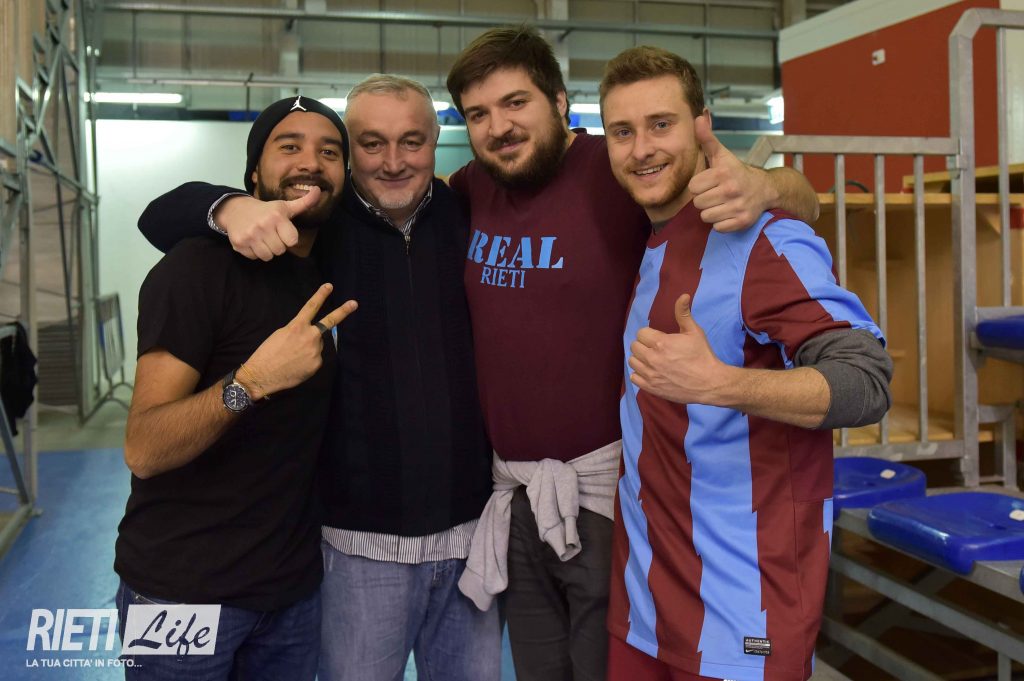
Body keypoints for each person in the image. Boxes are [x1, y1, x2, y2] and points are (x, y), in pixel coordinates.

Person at [444, 25, 821, 681]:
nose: (499, 127)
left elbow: (792, 195)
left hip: (607, 495)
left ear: (559, 102)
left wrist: (767, 186)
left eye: (515, 103)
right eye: (478, 114)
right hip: (515, 494)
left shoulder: (615, 166)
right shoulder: (474, 186)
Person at [135, 75, 498, 681]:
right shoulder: (300, 232)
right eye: (370, 143)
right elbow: (158, 216)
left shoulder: (466, 214)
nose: (393, 161)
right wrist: (228, 207)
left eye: (412, 141)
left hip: (391, 559)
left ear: (437, 142)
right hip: (265, 565)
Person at [599, 46, 892, 681]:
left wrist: (721, 384)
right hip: (645, 599)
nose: (641, 149)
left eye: (661, 124)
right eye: (622, 131)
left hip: (741, 611)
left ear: (702, 126)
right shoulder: (649, 235)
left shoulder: (761, 238)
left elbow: (866, 380)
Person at [115, 95, 357, 680]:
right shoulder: (197, 267)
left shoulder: (330, 266)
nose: (311, 162)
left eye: (330, 152)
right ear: (253, 174)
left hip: (292, 596)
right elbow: (144, 448)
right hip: (177, 593)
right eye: (289, 146)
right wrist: (251, 381)